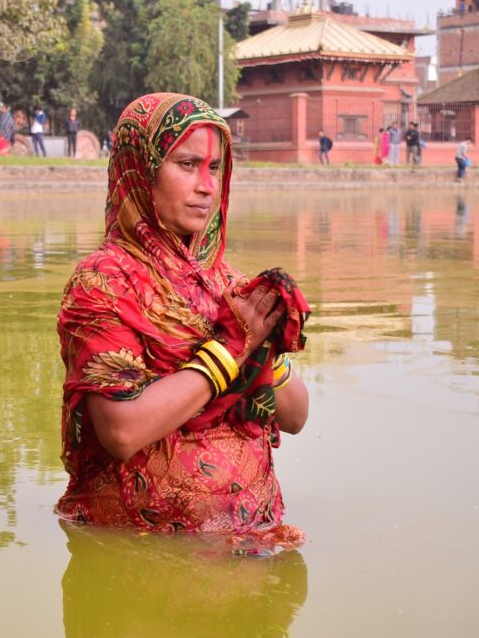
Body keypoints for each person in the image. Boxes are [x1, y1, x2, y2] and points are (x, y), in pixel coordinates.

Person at [55, 92, 310, 545]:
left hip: (250, 546)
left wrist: (265, 343)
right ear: (141, 170)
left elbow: (295, 417)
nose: (207, 186)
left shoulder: (227, 283)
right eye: (188, 164)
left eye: (214, 168)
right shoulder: (104, 282)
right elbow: (122, 430)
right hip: (139, 563)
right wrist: (231, 349)